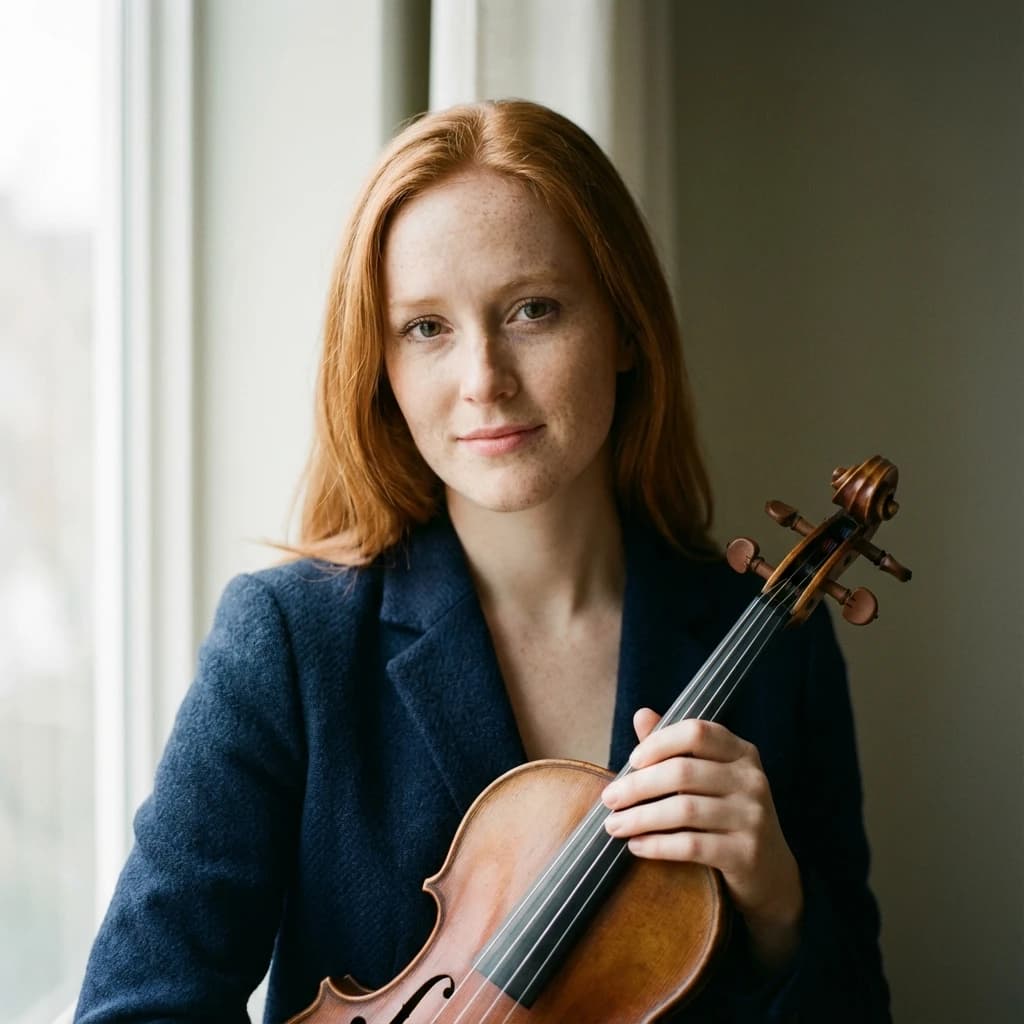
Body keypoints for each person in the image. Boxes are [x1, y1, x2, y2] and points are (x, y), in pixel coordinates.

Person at [75, 99, 890, 1023]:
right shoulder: (290, 643)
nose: (484, 381)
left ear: (625, 327)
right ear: (380, 364)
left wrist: (780, 909)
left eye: (533, 310)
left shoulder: (775, 643)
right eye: (426, 328)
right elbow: (136, 1008)